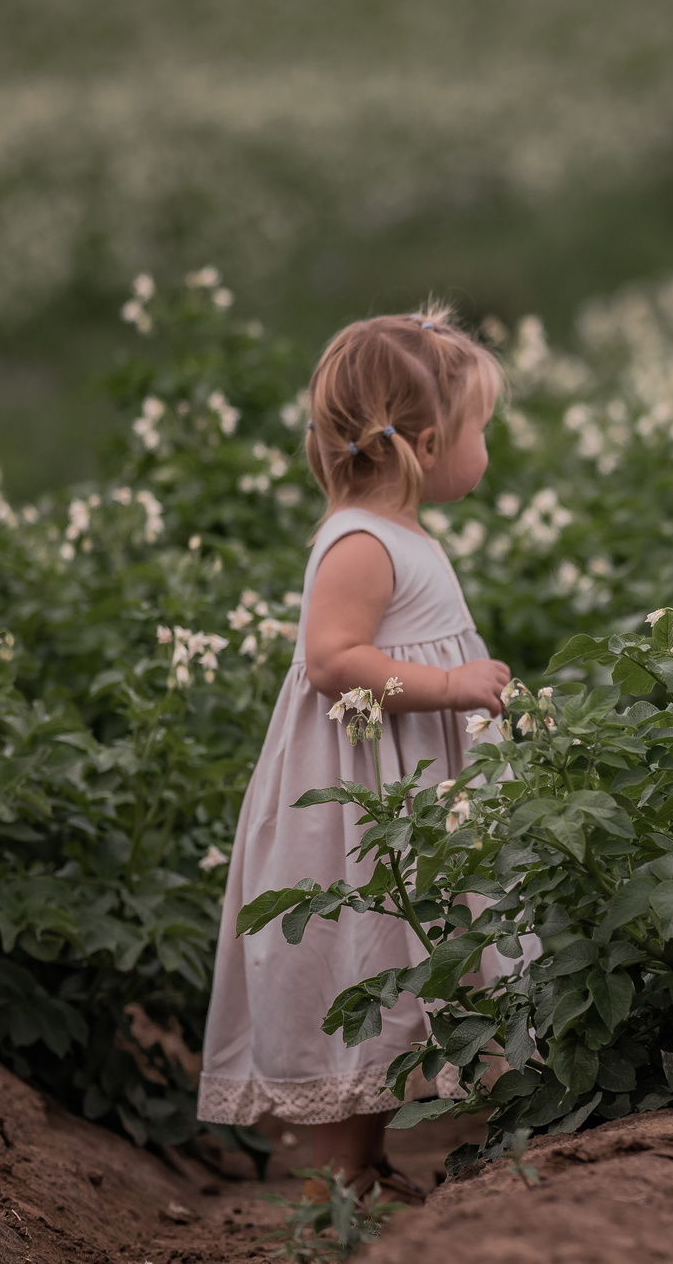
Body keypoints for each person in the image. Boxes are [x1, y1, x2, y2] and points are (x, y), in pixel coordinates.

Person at [197, 305, 513, 1196]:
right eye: (480, 429)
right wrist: (455, 685)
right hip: (355, 798)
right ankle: (338, 1180)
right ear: (422, 440)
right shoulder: (361, 542)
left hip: (398, 780)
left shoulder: (399, 532)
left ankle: (367, 1161)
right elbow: (336, 661)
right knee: (358, 954)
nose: (487, 447)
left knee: (394, 957)